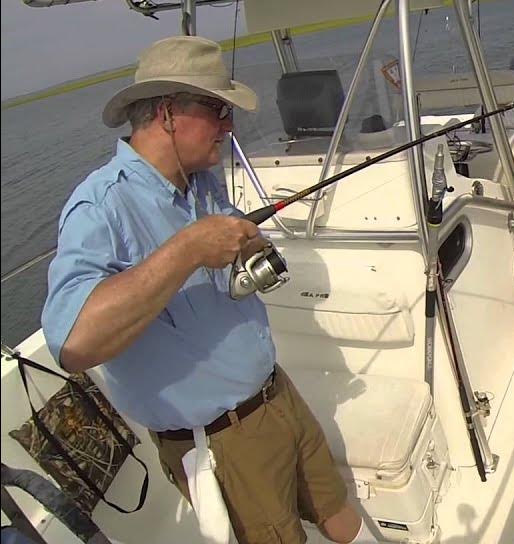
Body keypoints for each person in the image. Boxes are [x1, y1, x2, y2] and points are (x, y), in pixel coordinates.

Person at [41, 36, 373, 544]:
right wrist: (188, 248)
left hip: (276, 393)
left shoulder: (199, 180)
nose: (229, 126)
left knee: (337, 511)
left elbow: (223, 238)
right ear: (169, 113)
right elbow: (73, 342)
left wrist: (239, 236)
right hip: (224, 442)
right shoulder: (99, 207)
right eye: (218, 109)